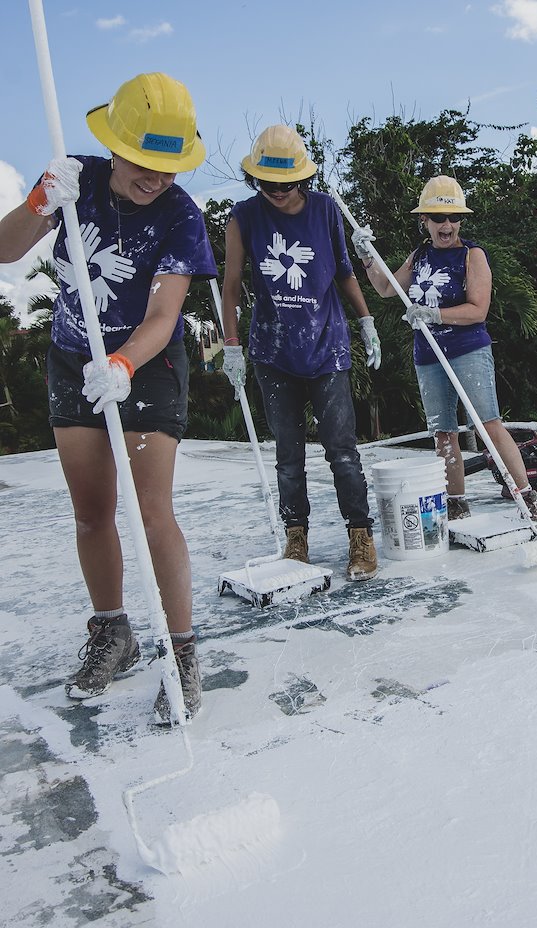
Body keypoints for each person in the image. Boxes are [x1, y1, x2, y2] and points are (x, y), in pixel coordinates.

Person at [0, 73, 217, 722]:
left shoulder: (180, 217)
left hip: (144, 366)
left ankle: (180, 653)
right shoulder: (76, 181)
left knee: (151, 511)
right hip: (71, 357)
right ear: (115, 146)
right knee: (92, 512)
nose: (155, 176)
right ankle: (113, 632)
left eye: (168, 166)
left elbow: (164, 311)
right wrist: (40, 198)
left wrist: (122, 362)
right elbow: (5, 251)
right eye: (144, 161)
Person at [221, 125, 380, 580]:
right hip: (273, 351)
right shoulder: (243, 217)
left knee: (342, 451)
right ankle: (296, 540)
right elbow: (230, 287)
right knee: (288, 455)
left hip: (327, 348)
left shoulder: (327, 210)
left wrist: (366, 321)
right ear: (256, 180)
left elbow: (345, 273)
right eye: (268, 184)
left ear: (302, 179)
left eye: (286, 185)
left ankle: (360, 537)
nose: (278, 192)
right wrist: (231, 346)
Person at [352, 175, 537, 523]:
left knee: (488, 424)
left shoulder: (472, 255)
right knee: (443, 431)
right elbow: (384, 287)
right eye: (438, 218)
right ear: (424, 220)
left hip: (467, 349)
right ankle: (456, 501)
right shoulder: (420, 254)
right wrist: (366, 256)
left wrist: (434, 313)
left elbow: (478, 309)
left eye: (453, 218)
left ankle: (526, 495)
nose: (447, 225)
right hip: (427, 355)